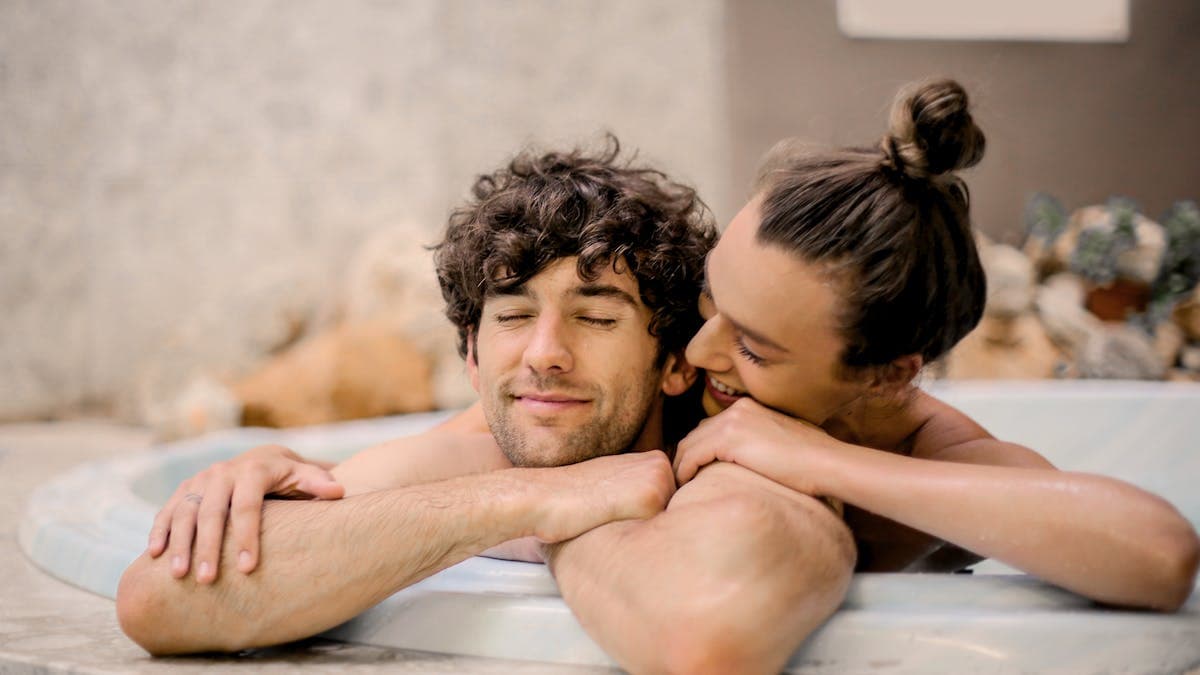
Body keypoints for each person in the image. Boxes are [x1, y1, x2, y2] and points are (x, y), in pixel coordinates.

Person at [118, 136, 857, 674]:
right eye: (513, 316)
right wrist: (532, 498)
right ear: (472, 357)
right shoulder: (478, 454)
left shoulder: (733, 442)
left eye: (596, 317)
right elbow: (155, 601)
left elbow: (708, 636)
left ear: (673, 362)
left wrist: (571, 508)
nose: (544, 353)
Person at [671, 79, 1199, 605]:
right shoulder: (682, 371)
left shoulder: (946, 459)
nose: (697, 351)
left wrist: (820, 460)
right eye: (710, 296)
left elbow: (1163, 557)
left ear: (885, 374)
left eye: (753, 349)